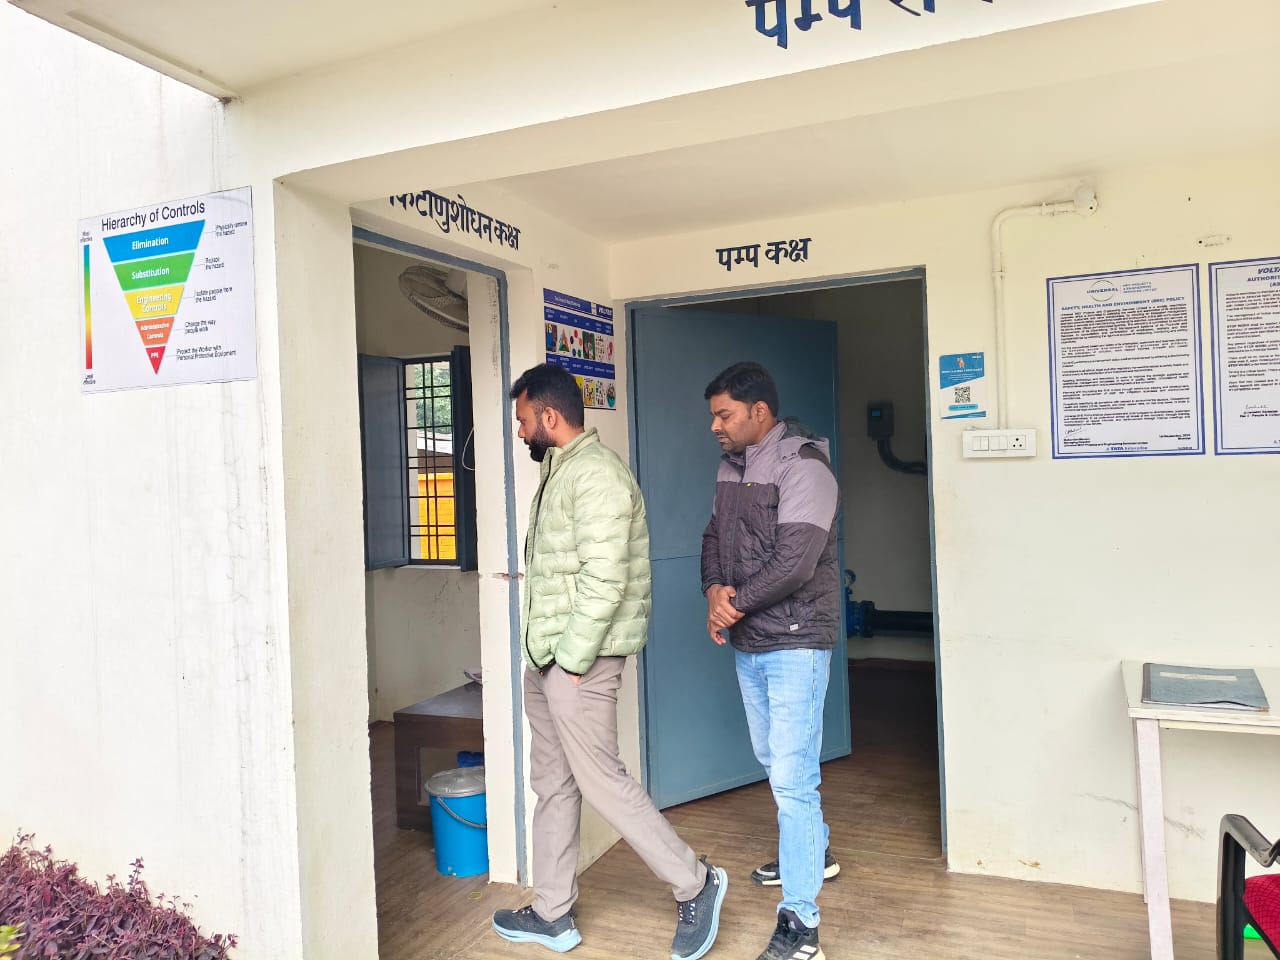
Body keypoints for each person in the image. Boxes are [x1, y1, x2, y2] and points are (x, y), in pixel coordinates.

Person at [493, 363, 728, 959]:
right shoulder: (560, 469)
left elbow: (604, 582)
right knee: (553, 784)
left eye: (523, 420)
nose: (520, 431)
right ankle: (552, 912)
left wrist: (570, 663)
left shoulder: (597, 476)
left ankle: (696, 883)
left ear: (549, 416)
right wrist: (544, 659)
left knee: (602, 781)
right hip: (547, 658)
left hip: (578, 662)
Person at [700, 362, 841, 960]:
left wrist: (731, 607)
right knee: (775, 762)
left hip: (796, 641)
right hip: (753, 642)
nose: (715, 426)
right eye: (713, 416)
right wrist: (714, 589)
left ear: (760, 412)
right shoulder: (731, 467)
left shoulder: (804, 466)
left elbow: (795, 563)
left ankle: (802, 924)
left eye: (724, 415)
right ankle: (813, 851)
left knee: (792, 777)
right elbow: (714, 536)